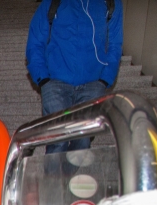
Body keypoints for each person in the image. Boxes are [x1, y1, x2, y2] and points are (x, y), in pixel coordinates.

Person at [26, 0, 123, 152]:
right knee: (58, 141)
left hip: (93, 85)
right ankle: (53, 176)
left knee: (82, 143)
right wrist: (43, 79)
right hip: (55, 83)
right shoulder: (53, 3)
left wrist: (104, 80)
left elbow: (115, 45)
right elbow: (35, 42)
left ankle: (68, 176)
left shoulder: (110, 3)